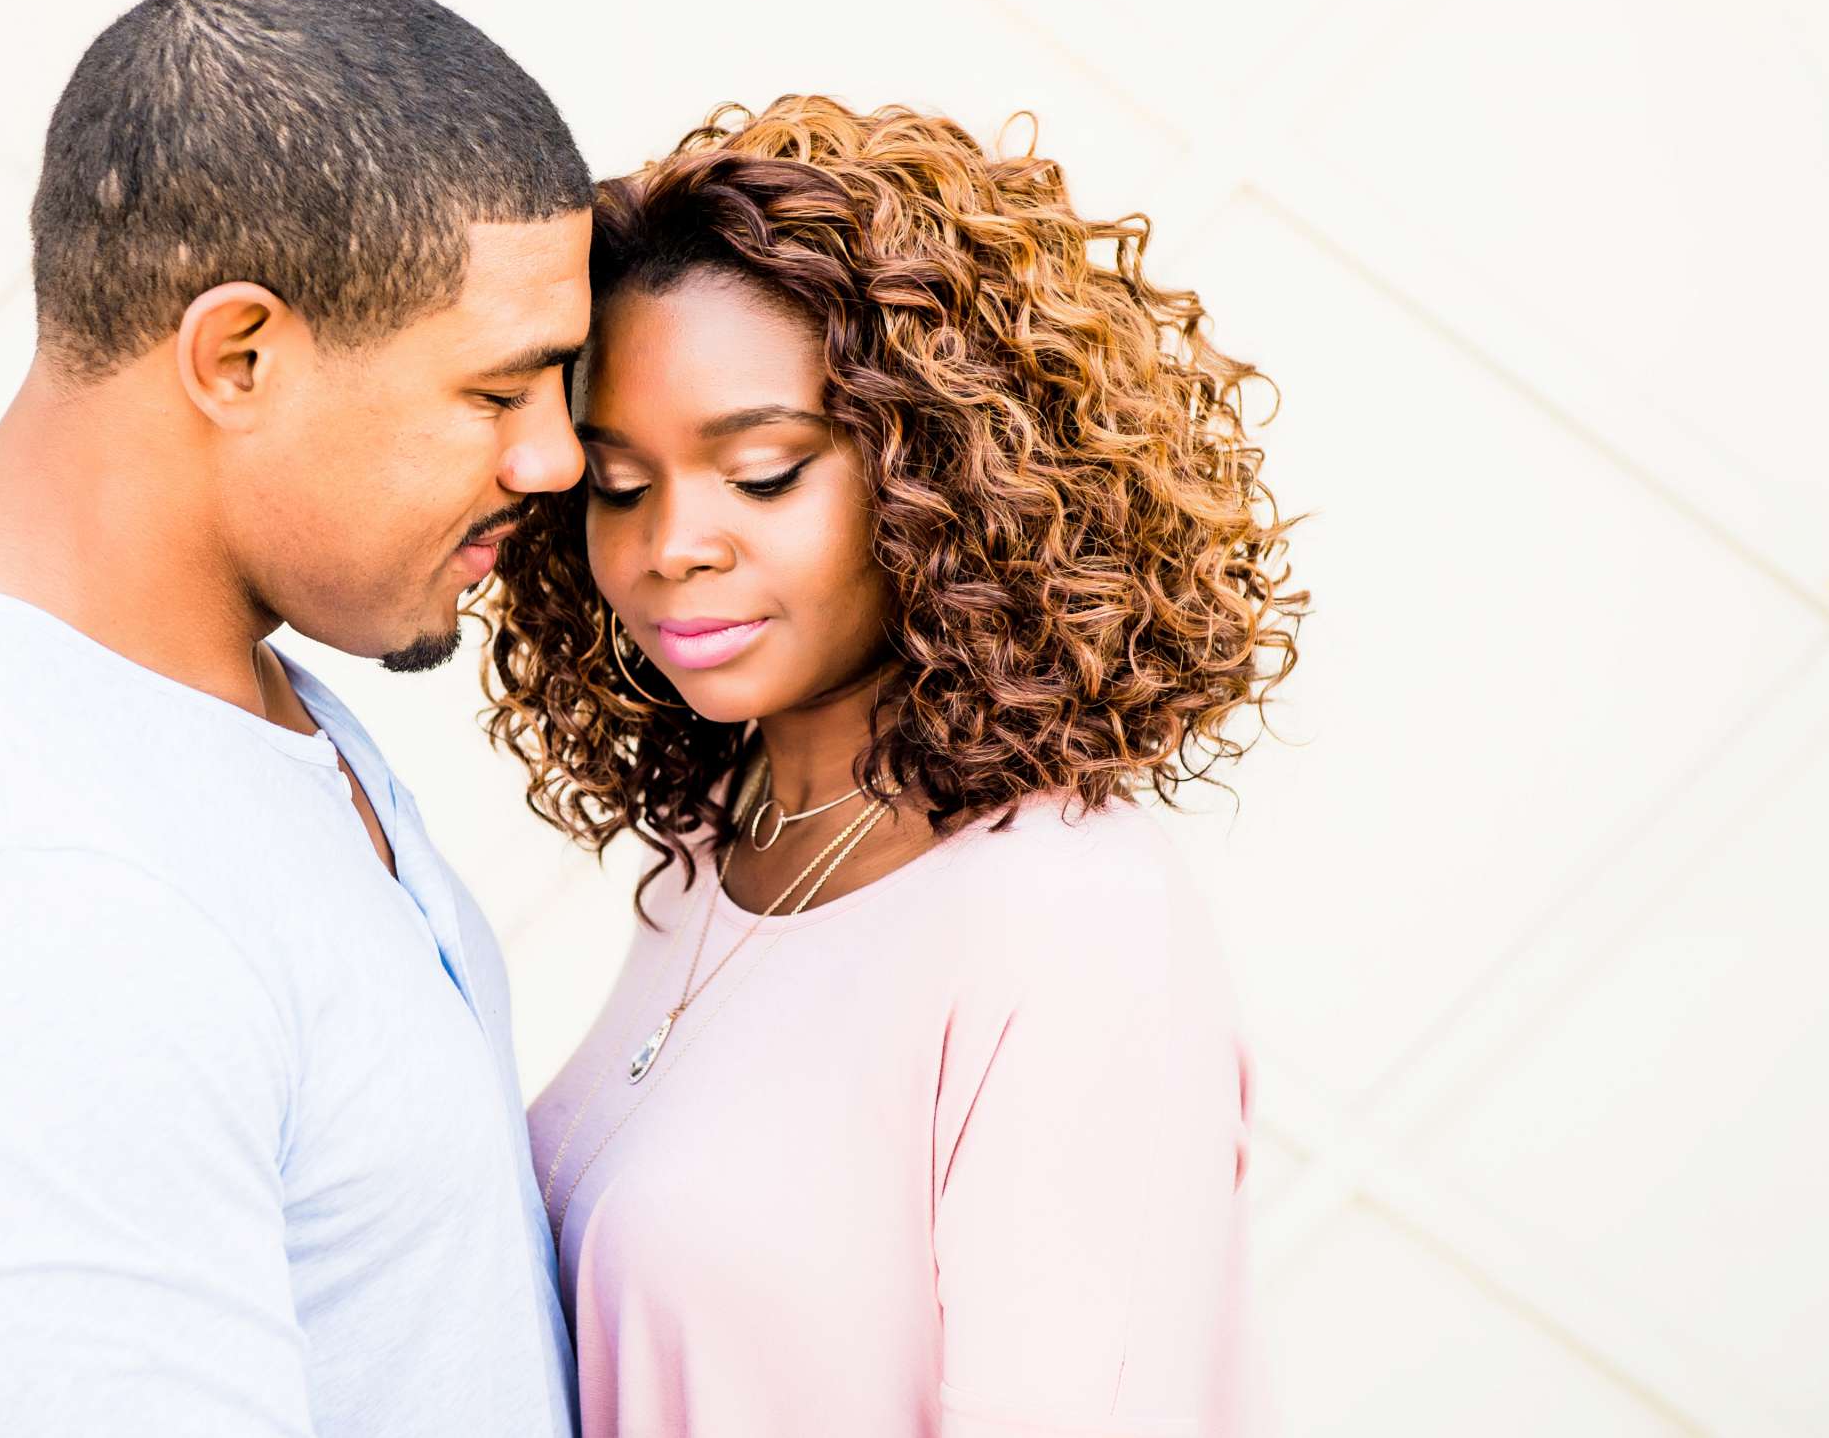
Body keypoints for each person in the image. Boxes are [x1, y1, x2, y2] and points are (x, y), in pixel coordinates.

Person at [0, 0, 592, 1438]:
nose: (559, 459)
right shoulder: (26, 910)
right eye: (499, 391)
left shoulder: (212, 700)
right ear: (237, 356)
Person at [483, 96, 1306, 1437]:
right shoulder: (720, 849)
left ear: (935, 475)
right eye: (619, 484)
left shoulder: (1064, 916)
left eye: (761, 473)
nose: (669, 542)